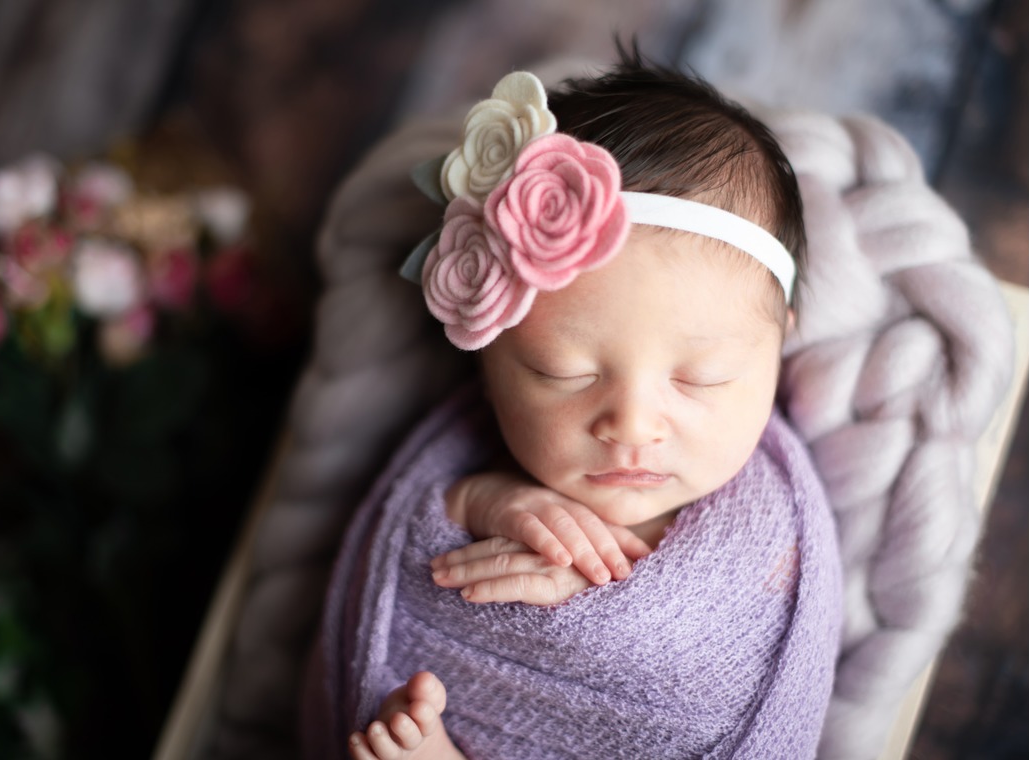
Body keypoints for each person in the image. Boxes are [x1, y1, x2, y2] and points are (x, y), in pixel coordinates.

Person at [306, 48, 842, 760]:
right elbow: (402, 564)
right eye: (561, 372)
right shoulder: (465, 455)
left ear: (778, 351)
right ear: (489, 362)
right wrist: (478, 503)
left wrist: (618, 590)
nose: (632, 425)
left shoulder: (776, 546)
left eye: (701, 377)